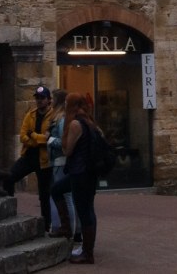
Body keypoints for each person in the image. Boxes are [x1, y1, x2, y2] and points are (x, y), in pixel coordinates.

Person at [2, 85, 54, 231]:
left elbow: (48, 138)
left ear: (49, 100)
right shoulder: (30, 114)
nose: (39, 101)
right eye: (37, 98)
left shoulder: (53, 117)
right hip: (29, 155)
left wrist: (34, 136)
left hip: (44, 160)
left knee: (44, 194)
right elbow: (23, 136)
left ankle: (46, 225)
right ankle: (9, 212)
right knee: (9, 178)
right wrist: (37, 139)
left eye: (42, 98)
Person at [62, 93, 101, 264]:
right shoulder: (90, 122)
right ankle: (86, 249)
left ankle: (87, 252)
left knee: (84, 211)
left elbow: (67, 150)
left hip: (80, 172)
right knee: (88, 209)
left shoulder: (76, 123)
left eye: (66, 103)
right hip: (90, 172)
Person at [47, 89, 81, 245]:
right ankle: (68, 229)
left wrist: (50, 140)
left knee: (66, 197)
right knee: (65, 196)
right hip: (58, 163)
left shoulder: (61, 120)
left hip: (61, 163)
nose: (50, 102)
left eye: (52, 99)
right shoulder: (59, 118)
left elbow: (63, 143)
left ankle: (68, 231)